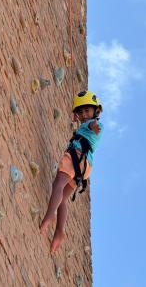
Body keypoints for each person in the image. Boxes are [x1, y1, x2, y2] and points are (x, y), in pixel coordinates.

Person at [40, 90, 104, 252]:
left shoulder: (93, 124)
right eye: (80, 112)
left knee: (58, 185)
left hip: (76, 156)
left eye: (87, 111)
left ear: (96, 111)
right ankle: (60, 232)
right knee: (62, 199)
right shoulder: (84, 126)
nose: (83, 114)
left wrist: (93, 124)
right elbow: (87, 125)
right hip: (85, 167)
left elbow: (92, 125)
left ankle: (50, 214)